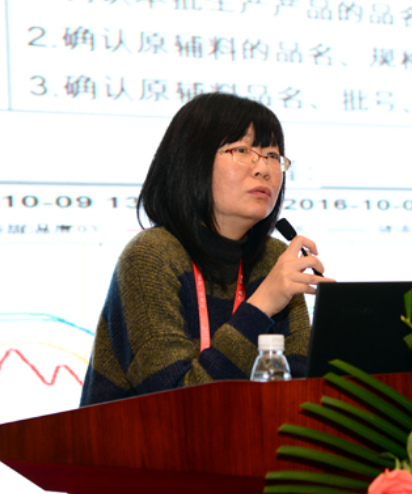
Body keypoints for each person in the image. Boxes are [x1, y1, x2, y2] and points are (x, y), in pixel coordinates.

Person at [79, 93, 333, 406]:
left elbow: (300, 389)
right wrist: (261, 305)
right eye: (242, 150)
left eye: (272, 155)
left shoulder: (273, 258)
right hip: (135, 437)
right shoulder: (152, 256)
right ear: (192, 161)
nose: (264, 169)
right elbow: (178, 403)